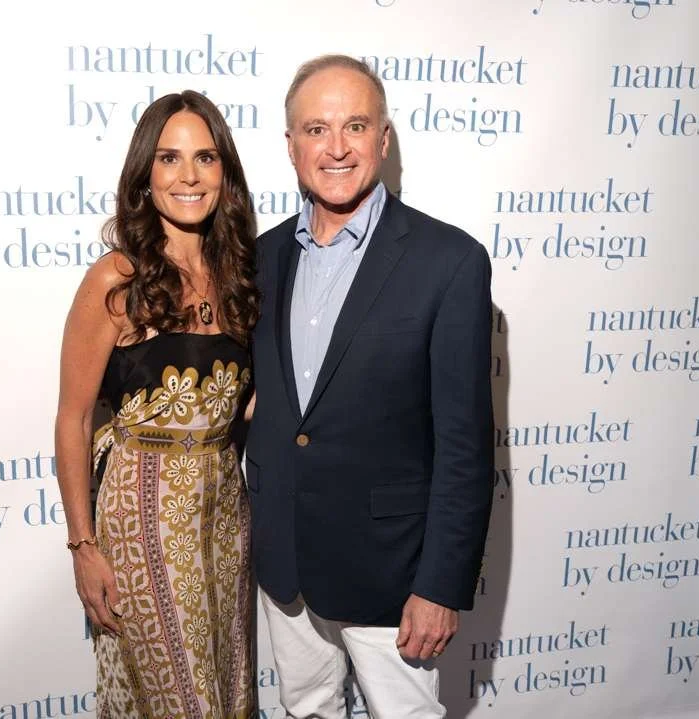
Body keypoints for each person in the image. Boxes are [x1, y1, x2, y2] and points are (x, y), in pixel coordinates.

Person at [246, 54, 494, 717]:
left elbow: (465, 447)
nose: (336, 148)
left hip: (392, 571)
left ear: (383, 140)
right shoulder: (261, 258)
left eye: (354, 126)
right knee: (306, 708)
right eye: (316, 129)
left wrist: (440, 585)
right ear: (291, 145)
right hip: (286, 560)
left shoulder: (450, 261)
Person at [54, 90, 259, 718]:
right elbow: (74, 418)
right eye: (169, 158)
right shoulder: (116, 278)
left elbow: (243, 405)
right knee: (182, 701)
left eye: (205, 158)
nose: (188, 176)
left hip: (224, 515)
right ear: (145, 175)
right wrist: (84, 547)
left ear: (225, 175)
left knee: (227, 691)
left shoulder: (241, 275)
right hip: (143, 520)